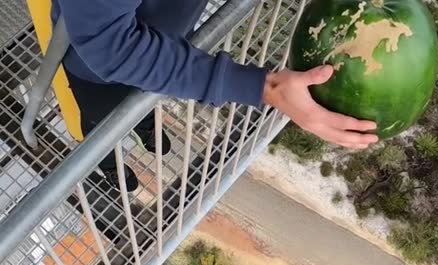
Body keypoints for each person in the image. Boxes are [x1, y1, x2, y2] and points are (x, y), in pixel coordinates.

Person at [51, 0, 378, 192]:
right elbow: (110, 45)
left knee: (145, 102)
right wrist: (266, 88)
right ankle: (107, 163)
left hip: (160, 36)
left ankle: (147, 130)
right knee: (99, 122)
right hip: (93, 68)